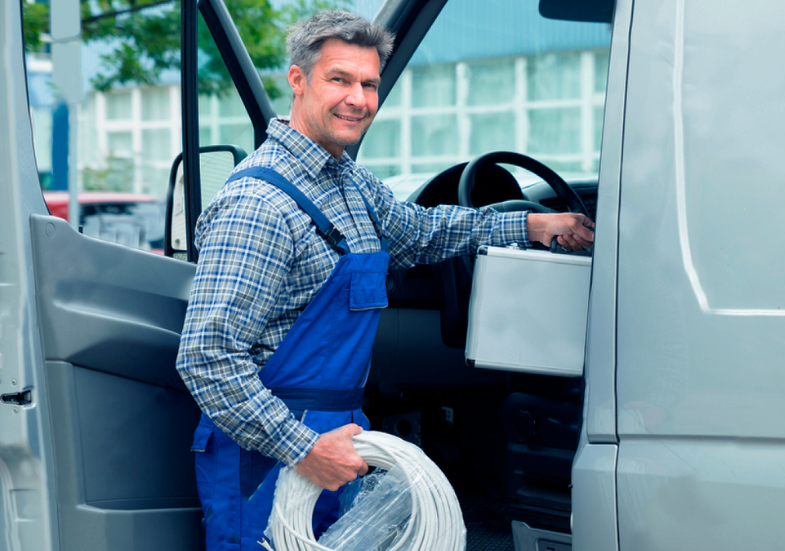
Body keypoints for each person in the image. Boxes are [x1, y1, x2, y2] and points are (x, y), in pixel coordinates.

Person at [175, 10, 594, 551]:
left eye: (369, 84)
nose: (358, 98)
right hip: (266, 456)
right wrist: (303, 447)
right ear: (298, 81)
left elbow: (419, 233)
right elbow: (206, 357)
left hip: (342, 432)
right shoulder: (258, 205)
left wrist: (532, 223)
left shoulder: (350, 181)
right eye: (340, 80)